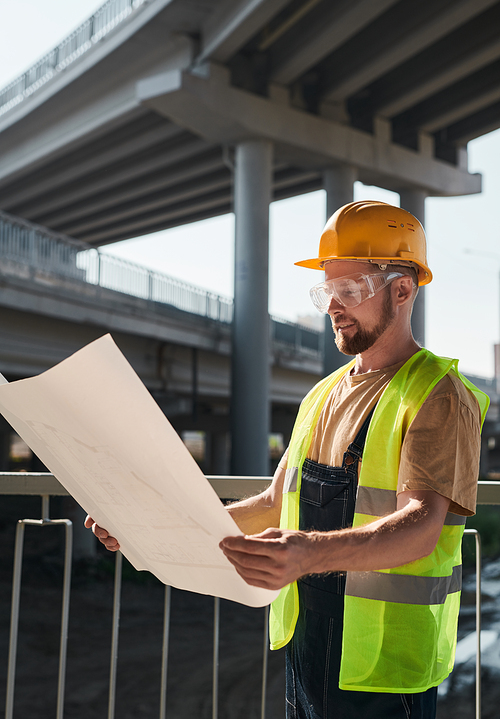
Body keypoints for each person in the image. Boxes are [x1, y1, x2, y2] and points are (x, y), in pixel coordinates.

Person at [86, 200, 489, 719]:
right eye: (327, 290)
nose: (332, 307)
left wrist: (307, 553)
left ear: (404, 289)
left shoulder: (438, 393)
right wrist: (148, 529)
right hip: (310, 649)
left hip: (386, 669)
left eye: (350, 290)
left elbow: (421, 527)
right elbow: (278, 503)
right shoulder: (322, 395)